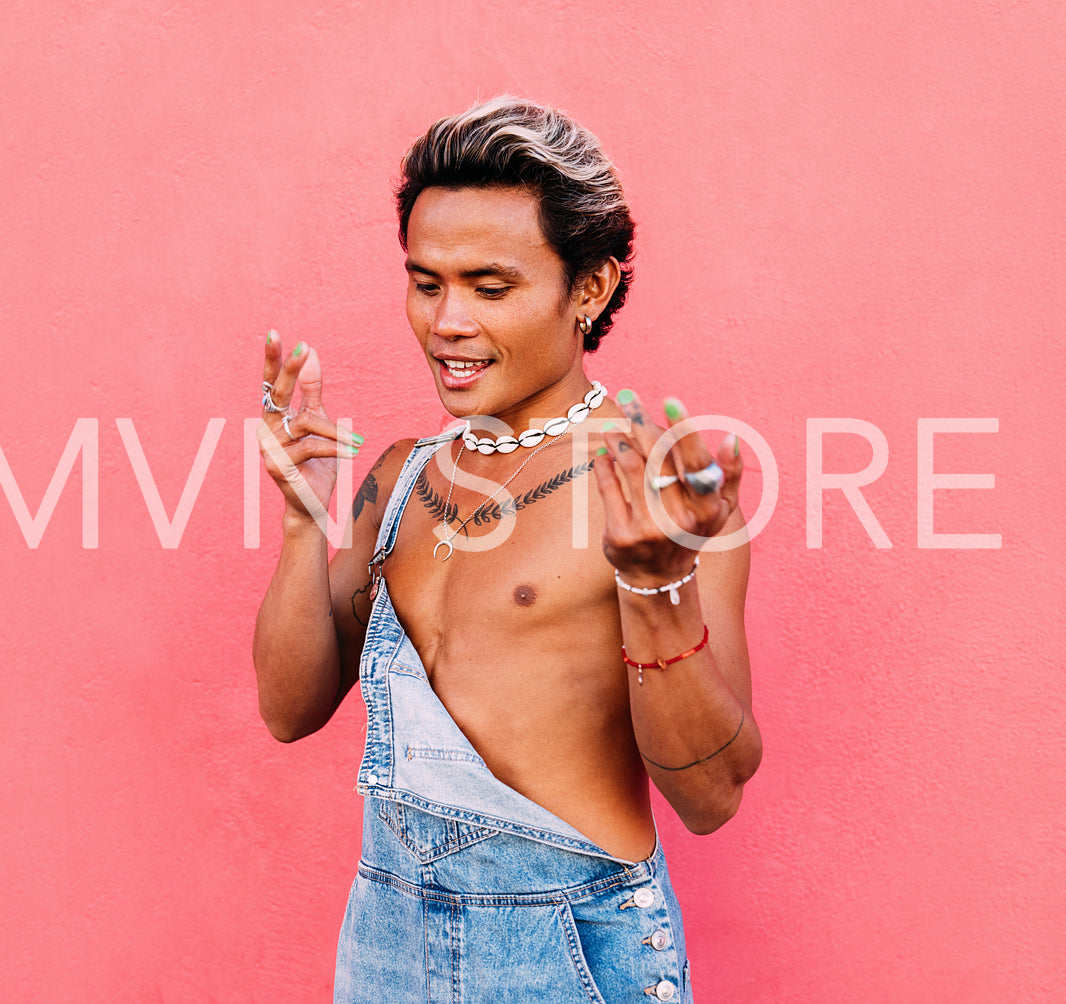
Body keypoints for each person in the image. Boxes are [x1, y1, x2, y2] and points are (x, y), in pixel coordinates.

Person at [252, 95, 761, 1003]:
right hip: (383, 940)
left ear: (589, 289)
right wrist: (304, 520)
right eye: (425, 282)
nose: (447, 321)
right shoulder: (402, 478)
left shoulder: (655, 482)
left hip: (566, 948)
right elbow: (289, 711)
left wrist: (658, 585)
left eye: (490, 288)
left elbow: (711, 795)